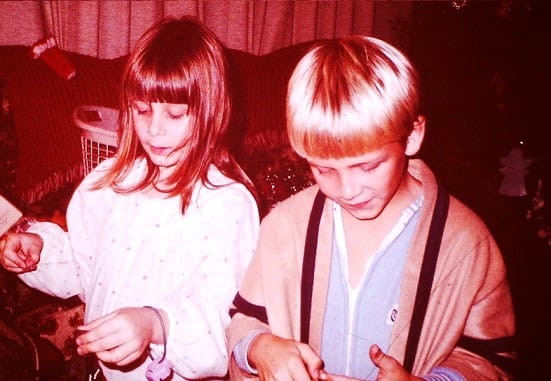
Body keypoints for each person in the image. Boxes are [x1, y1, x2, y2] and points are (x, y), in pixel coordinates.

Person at [226, 36, 515, 381]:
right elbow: (243, 321)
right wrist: (260, 348)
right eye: (324, 169)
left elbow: (491, 361)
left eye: (367, 167)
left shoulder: (465, 244)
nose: (347, 190)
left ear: (412, 136)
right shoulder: (285, 227)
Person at [0, 16, 259, 380]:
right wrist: (39, 251)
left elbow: (225, 328)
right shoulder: (108, 183)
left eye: (174, 114)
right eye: (142, 110)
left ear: (212, 113)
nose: (154, 129)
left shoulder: (227, 206)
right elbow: (82, 267)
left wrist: (155, 324)